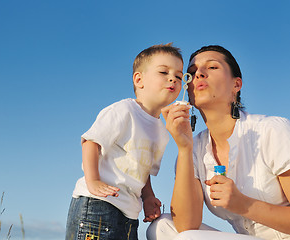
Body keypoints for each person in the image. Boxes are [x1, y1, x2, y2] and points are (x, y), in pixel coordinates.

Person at [147, 45, 290, 240]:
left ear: (236, 85)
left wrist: (244, 205)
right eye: (191, 73)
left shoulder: (272, 130)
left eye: (212, 67)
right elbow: (186, 225)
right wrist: (184, 148)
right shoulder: (195, 147)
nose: (199, 74)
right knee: (161, 227)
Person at [65, 43, 186, 240]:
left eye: (179, 76)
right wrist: (93, 180)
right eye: (163, 72)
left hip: (130, 213)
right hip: (98, 204)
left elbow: (142, 169)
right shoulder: (124, 111)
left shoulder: (161, 130)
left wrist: (147, 197)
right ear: (139, 79)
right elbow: (90, 142)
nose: (172, 78)